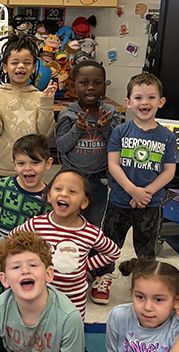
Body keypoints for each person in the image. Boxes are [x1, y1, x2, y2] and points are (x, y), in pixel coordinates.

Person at [91, 72, 179, 305]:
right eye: (138, 97)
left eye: (151, 97)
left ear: (161, 102)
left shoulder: (167, 137)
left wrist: (145, 193)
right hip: (120, 201)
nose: (144, 103)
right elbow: (113, 165)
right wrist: (132, 190)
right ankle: (103, 277)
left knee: (146, 247)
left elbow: (169, 171)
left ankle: (145, 282)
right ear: (128, 102)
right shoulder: (120, 131)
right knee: (109, 242)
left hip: (150, 204)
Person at [11, 168, 120, 321]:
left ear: (84, 202)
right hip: (41, 296)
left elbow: (113, 252)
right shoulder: (37, 224)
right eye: (58, 189)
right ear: (49, 195)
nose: (63, 194)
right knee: (41, 328)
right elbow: (13, 238)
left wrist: (86, 265)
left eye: (72, 191)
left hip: (74, 300)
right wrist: (28, 265)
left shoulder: (90, 233)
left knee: (72, 331)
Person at [0, 31, 57, 186]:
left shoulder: (40, 97)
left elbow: (44, 133)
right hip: (2, 171)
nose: (21, 66)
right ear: (5, 67)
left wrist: (46, 102)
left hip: (32, 171)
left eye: (27, 62)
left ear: (34, 68)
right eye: (15, 62)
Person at [0, 134, 54, 312]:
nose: (28, 168)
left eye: (35, 162)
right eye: (21, 163)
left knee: (22, 303)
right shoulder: (1, 185)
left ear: (48, 163)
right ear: (14, 164)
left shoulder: (49, 200)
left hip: (26, 265)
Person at [55, 60, 123, 228]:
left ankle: (90, 246)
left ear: (104, 86)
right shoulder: (68, 114)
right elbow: (61, 147)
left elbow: (117, 147)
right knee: (66, 220)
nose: (91, 87)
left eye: (97, 83)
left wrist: (106, 128)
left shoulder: (110, 113)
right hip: (71, 179)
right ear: (73, 86)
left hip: (99, 180)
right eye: (84, 83)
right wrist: (76, 129)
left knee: (93, 224)